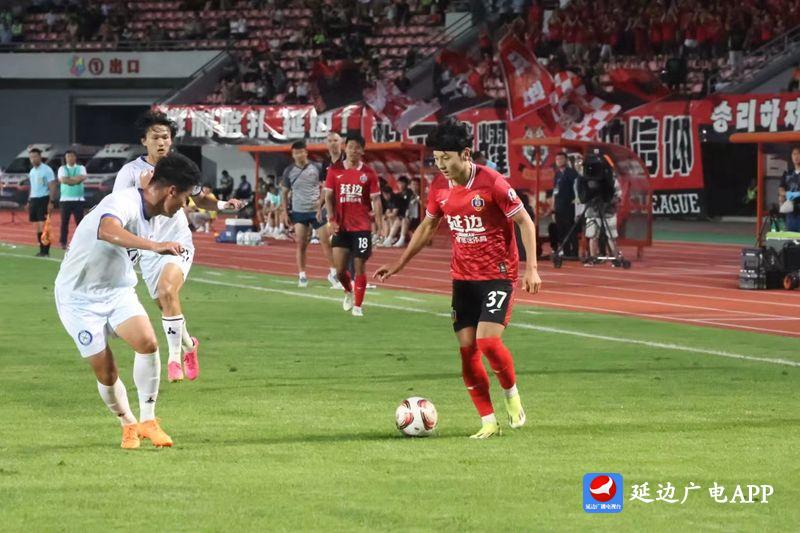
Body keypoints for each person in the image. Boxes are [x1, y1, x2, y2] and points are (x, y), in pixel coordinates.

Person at [375, 120, 541, 439]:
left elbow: (525, 222)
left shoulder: (492, 183)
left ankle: (511, 396)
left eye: (446, 158)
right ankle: (488, 421)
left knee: (488, 342)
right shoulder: (439, 188)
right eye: (436, 158)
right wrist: (399, 263)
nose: (440, 165)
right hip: (463, 279)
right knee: (467, 351)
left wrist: (531, 268)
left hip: (497, 276)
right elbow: (427, 227)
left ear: (465, 154)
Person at [55, 153, 201, 449]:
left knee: (148, 343)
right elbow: (107, 230)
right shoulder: (123, 202)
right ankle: (127, 422)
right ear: (172, 191)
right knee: (107, 373)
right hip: (78, 298)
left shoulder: (155, 210)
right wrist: (154, 246)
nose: (185, 205)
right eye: (184, 197)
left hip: (118, 289)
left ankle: (149, 421)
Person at [114, 111, 243, 384]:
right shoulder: (130, 173)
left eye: (165, 137)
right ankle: (189, 345)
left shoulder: (179, 168)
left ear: (171, 140)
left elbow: (200, 198)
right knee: (166, 305)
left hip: (177, 242)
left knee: (167, 290)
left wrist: (222, 204)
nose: (161, 142)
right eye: (155, 137)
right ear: (144, 141)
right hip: (149, 248)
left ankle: (173, 360)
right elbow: (118, 208)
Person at [325, 132, 382, 317]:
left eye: (357, 148)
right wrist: (331, 220)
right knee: (340, 271)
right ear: (345, 148)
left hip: (362, 228)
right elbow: (328, 197)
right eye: (350, 147)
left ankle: (358, 306)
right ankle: (348, 291)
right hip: (341, 227)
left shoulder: (369, 173)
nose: (353, 151)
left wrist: (380, 225)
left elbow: (376, 200)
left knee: (359, 266)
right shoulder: (334, 170)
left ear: (362, 151)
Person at [281, 140, 339, 288]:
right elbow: (284, 193)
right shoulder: (289, 171)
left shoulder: (317, 167)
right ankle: (302, 275)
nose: (298, 155)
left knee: (326, 242)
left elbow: (325, 187)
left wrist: (321, 204)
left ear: (306, 153)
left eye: (301, 152)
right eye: (295, 153)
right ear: (293, 155)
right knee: (301, 244)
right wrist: (285, 212)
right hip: (299, 212)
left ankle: (334, 274)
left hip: (316, 211)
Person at [27, 147, 56, 257]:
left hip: (43, 199)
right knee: (37, 226)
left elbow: (52, 185)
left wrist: (51, 201)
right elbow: (32, 187)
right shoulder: (32, 171)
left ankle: (46, 251)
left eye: (35, 157)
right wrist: (29, 200)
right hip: (34, 200)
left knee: (44, 225)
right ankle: (41, 249)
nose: (33, 159)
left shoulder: (47, 170)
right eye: (31, 157)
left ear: (40, 157)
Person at [57, 149, 87, 249]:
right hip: (65, 200)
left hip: (78, 200)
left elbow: (81, 178)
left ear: (75, 157)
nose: (70, 158)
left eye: (72, 156)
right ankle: (63, 242)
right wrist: (75, 180)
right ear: (65, 158)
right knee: (64, 223)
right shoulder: (62, 168)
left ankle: (82, 242)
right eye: (68, 157)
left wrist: (69, 180)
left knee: (80, 223)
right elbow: (63, 180)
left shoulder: (81, 168)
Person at [552, 151, 578, 258]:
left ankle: (574, 252)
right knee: (561, 230)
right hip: (559, 207)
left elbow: (577, 189)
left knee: (570, 229)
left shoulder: (572, 173)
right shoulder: (557, 174)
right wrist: (553, 207)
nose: (559, 161)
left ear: (566, 160)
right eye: (557, 159)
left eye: (561, 159)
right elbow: (555, 191)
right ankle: (566, 252)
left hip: (569, 206)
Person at [779, 146, 800, 232]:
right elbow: (781, 190)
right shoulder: (787, 174)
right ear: (791, 156)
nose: (796, 156)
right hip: (790, 212)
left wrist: (798, 194)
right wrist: (786, 194)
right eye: (794, 154)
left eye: (798, 154)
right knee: (791, 238)